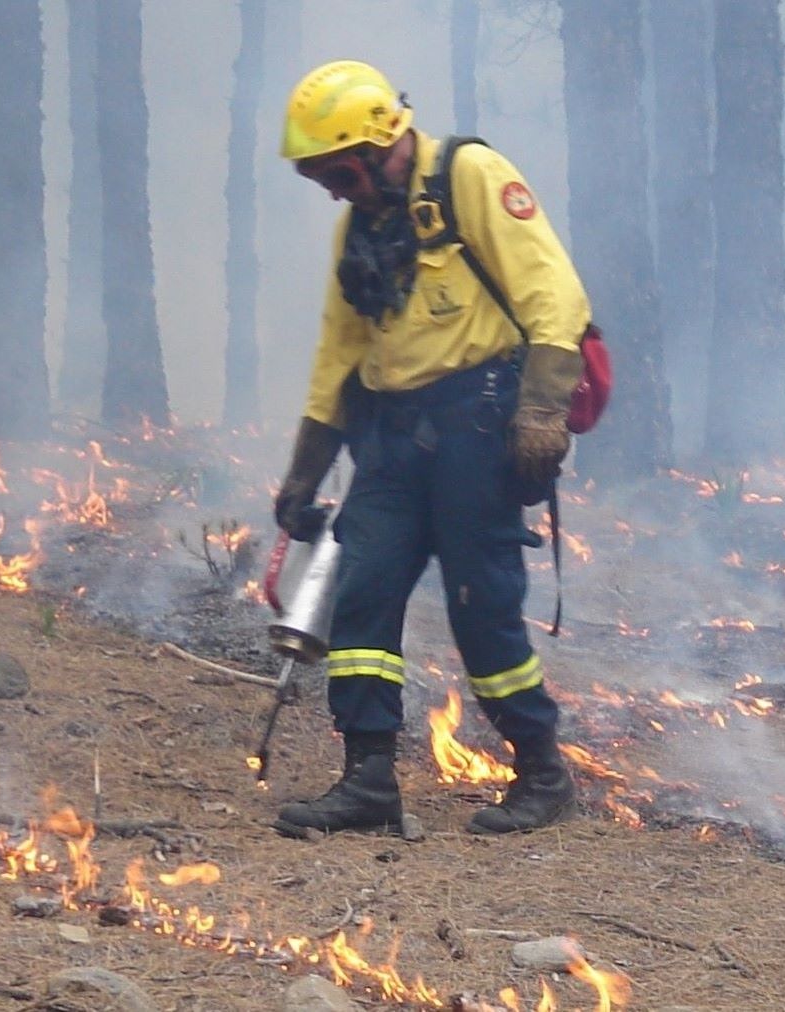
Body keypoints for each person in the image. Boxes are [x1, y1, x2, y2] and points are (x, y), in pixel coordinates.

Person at [271, 60, 591, 836]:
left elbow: (556, 297)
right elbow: (338, 353)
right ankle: (369, 780)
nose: (333, 190)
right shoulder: (360, 227)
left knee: (482, 609)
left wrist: (541, 412)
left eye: (339, 171)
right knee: (364, 593)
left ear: (382, 142)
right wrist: (303, 475)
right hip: (388, 438)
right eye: (321, 178)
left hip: (478, 430)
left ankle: (543, 772)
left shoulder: (471, 175)